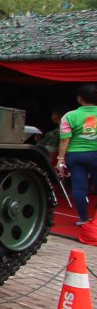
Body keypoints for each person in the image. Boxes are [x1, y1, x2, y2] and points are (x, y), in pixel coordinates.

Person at [57, 84, 97, 226]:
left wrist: (60, 158)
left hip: (76, 155)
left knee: (79, 188)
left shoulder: (69, 116)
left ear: (79, 98)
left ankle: (84, 219)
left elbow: (65, 139)